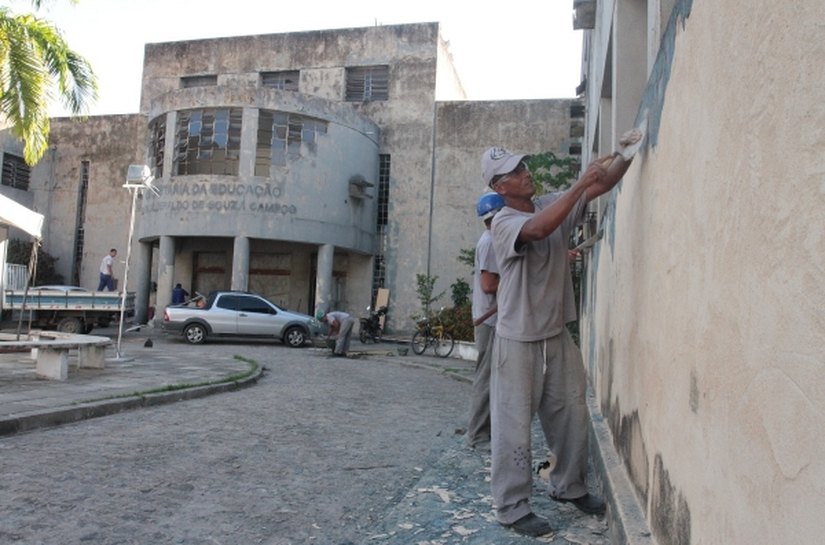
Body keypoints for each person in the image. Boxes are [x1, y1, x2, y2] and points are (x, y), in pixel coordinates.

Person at [482, 129, 642, 537]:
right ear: (500, 188)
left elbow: (600, 185)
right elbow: (538, 229)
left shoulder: (552, 204)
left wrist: (624, 155)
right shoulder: (502, 222)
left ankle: (568, 486)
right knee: (513, 426)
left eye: (523, 165)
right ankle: (512, 507)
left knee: (572, 414)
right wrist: (580, 183)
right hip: (517, 339)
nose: (525, 172)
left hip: (555, 334)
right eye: (514, 172)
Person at [466, 192, 505, 451]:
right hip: (489, 320)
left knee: (493, 378)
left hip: (491, 319)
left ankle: (486, 431)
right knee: (486, 378)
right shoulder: (490, 242)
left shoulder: (494, 240)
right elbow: (489, 284)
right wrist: (517, 278)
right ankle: (478, 435)